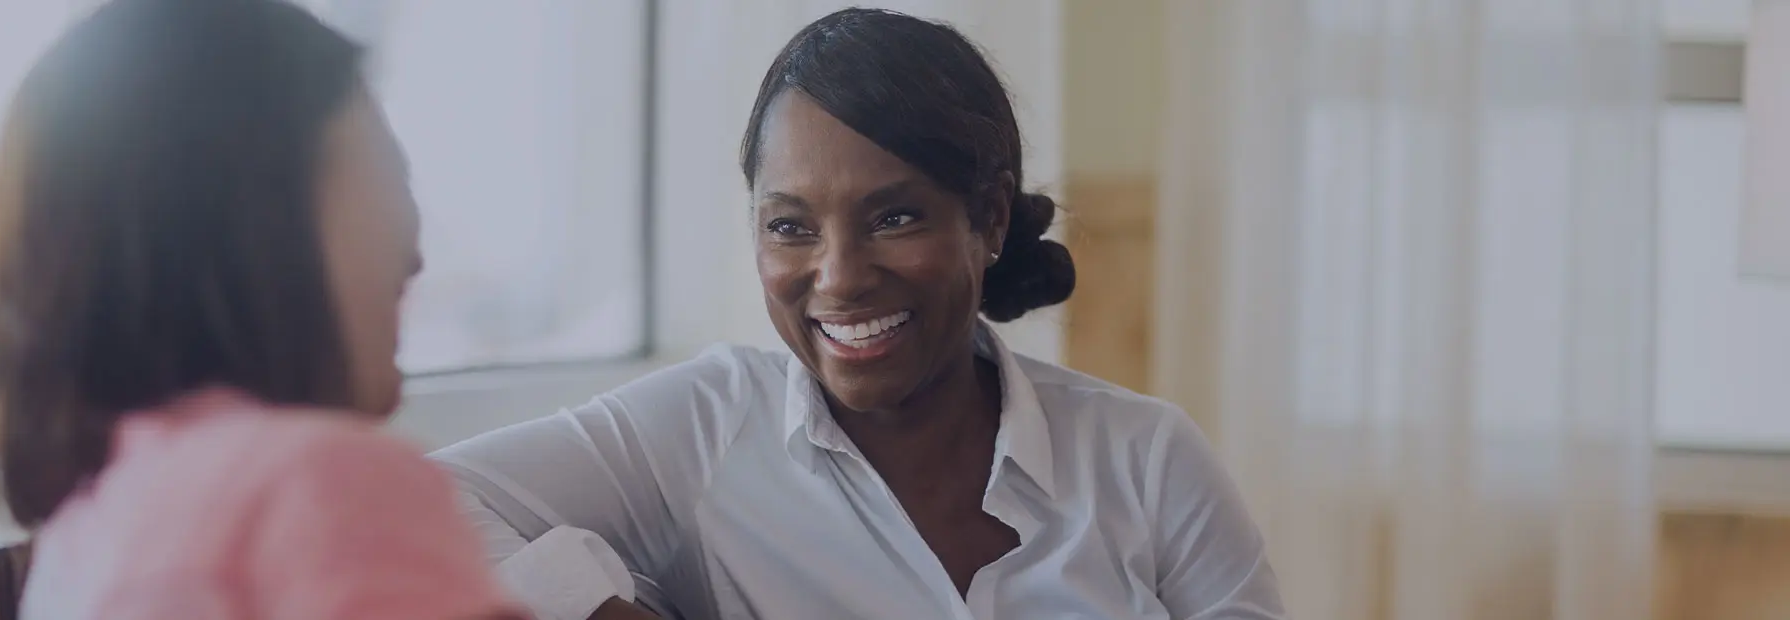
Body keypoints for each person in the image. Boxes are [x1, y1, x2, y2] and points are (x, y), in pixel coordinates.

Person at [436, 8, 1288, 620]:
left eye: (894, 217)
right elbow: (422, 505)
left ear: (987, 219)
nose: (837, 278)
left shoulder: (1145, 459)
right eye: (790, 227)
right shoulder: (702, 429)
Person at [0, 1, 531, 618]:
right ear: (263, 217)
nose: (415, 252)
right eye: (390, 169)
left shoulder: (85, 530)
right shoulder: (323, 485)